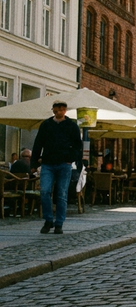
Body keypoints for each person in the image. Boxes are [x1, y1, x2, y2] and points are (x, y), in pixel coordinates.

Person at [31, 100, 82, 235]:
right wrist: (34, 163)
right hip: (48, 163)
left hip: (64, 165)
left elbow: (78, 145)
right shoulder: (46, 125)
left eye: (62, 110)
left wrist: (70, 159)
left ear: (65, 111)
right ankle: (48, 220)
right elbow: (38, 144)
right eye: (57, 109)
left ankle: (59, 223)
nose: (60, 112)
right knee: (44, 192)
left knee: (61, 195)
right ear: (53, 110)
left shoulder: (71, 126)